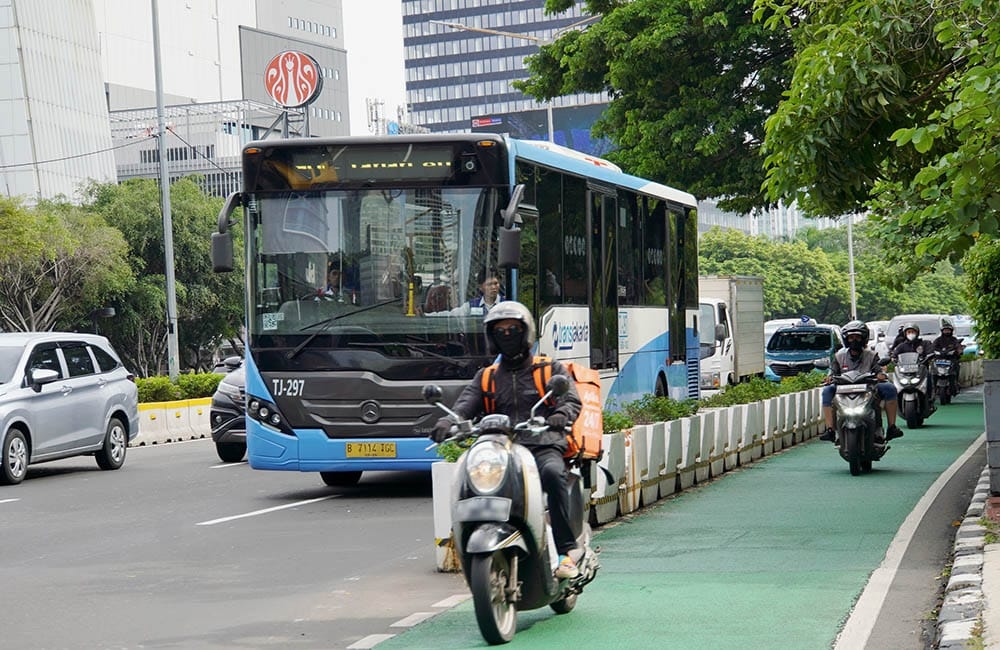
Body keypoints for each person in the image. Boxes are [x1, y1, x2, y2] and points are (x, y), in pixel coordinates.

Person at [429, 301, 583, 579]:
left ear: (526, 333)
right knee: (472, 480)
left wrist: (561, 413)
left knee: (552, 473)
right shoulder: (486, 376)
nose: (507, 335)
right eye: (500, 331)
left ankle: (566, 551)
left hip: (542, 444)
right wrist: (447, 421)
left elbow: (570, 398)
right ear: (491, 337)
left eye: (513, 329)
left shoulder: (548, 369)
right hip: (499, 449)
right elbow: (464, 406)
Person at [819, 320, 904, 442]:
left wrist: (881, 375)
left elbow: (879, 370)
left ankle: (892, 427)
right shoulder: (839, 356)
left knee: (889, 388)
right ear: (846, 339)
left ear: (864, 338)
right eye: (851, 337)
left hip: (868, 388)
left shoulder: (871, 355)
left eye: (857, 337)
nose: (854, 340)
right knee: (827, 390)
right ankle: (830, 430)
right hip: (843, 389)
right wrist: (829, 378)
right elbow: (833, 372)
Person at [932, 318, 963, 395]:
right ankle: (932, 388)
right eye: (945, 330)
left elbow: (959, 347)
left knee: (956, 367)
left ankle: (955, 383)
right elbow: (932, 348)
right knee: (933, 372)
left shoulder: (954, 340)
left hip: (951, 360)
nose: (947, 332)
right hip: (939, 360)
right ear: (942, 331)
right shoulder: (938, 340)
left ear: (951, 331)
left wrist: (959, 351)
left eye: (948, 330)